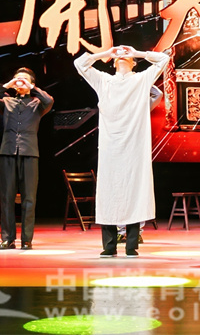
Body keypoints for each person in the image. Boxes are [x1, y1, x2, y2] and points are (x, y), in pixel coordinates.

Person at [74, 45, 169, 258]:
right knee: (109, 191)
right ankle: (109, 246)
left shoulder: (141, 79)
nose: (122, 56)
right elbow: (79, 64)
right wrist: (106, 54)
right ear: (113, 63)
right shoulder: (104, 80)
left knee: (135, 190)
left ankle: (131, 245)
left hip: (135, 145)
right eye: (119, 56)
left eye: (127, 56)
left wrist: (137, 53)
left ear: (134, 63)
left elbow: (163, 60)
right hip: (111, 145)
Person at [0, 68, 54, 250]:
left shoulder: (37, 103)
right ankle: (7, 239)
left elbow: (49, 101)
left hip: (29, 153)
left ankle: (26, 239)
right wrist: (7, 85)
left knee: (28, 198)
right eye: (17, 79)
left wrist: (32, 87)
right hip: (8, 152)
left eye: (24, 79)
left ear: (31, 83)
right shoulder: (7, 102)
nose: (20, 81)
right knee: (6, 197)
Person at [118, 85, 164, 246]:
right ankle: (121, 231)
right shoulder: (118, 105)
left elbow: (158, 94)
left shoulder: (141, 106)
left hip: (137, 153)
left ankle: (137, 232)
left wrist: (142, 82)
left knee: (138, 191)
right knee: (121, 191)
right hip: (120, 152)